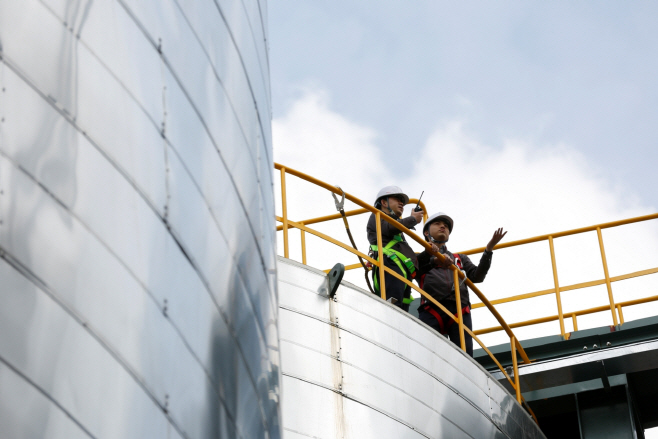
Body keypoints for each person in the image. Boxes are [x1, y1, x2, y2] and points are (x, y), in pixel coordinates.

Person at [417, 212, 507, 356]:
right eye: (437, 224)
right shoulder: (419, 258)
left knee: (465, 356)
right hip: (431, 308)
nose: (443, 227)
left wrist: (489, 249)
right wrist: (433, 258)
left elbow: (477, 276)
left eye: (446, 226)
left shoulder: (459, 259)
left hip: (459, 309)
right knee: (428, 354)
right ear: (426, 232)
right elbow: (414, 270)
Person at [366, 186, 424, 312]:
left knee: (401, 312)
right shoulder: (377, 216)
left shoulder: (398, 232)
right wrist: (412, 219)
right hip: (389, 263)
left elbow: (411, 257)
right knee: (393, 308)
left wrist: (430, 253)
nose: (401, 203)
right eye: (397, 199)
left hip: (400, 269)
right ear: (384, 202)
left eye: (402, 201)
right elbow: (389, 228)